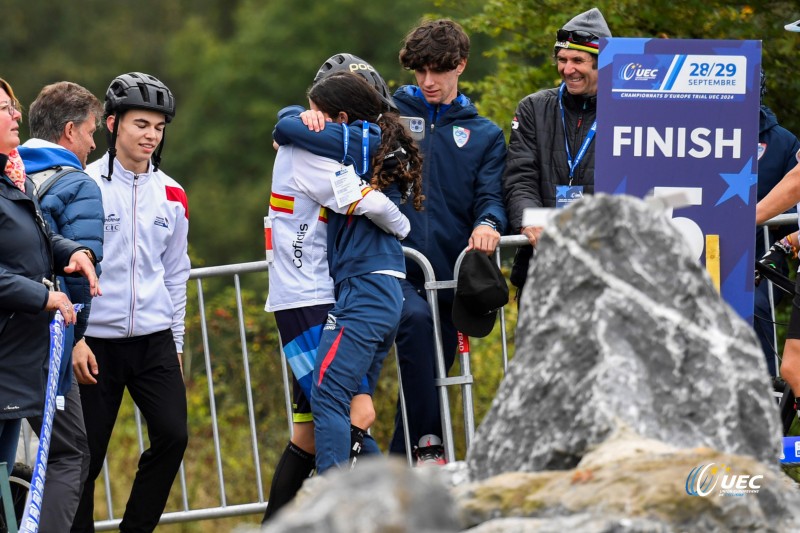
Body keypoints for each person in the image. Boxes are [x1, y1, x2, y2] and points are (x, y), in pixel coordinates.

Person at [262, 54, 412, 520]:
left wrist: (293, 121)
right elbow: (357, 198)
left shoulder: (318, 142)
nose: (310, 117)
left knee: (311, 432)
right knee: (348, 414)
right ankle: (406, 513)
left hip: (319, 293)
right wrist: (400, 220)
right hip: (310, 297)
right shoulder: (305, 148)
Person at [72, 72, 190, 533]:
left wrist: (176, 344)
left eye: (159, 127)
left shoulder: (174, 193)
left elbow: (177, 273)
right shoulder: (84, 185)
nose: (151, 135)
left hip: (155, 341)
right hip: (95, 344)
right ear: (112, 123)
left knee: (174, 436)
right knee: (85, 459)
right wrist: (77, 338)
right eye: (141, 124)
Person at [389, 18, 507, 464]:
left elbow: (491, 199)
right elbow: (319, 104)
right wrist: (305, 115)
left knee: (429, 377)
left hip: (450, 276)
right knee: (416, 325)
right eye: (419, 72)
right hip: (393, 267)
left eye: (437, 70)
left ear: (460, 66)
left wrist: (491, 223)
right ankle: (431, 443)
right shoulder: (388, 113)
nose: (427, 82)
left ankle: (399, 474)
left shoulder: (485, 135)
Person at [0, 76, 100, 524]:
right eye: (5, 108)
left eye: (15, 107)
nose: (17, 115)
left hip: (21, 353)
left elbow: (37, 238)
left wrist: (71, 252)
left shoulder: (13, 175)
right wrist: (43, 295)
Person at [504, 7, 611, 296]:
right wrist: (531, 221)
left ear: (603, 64)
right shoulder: (534, 107)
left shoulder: (627, 111)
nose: (567, 69)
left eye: (578, 60)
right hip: (541, 266)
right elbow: (519, 175)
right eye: (562, 60)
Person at [755, 17, 800, 407]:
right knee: (793, 369)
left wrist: (745, 217)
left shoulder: (780, 140)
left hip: (760, 266)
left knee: (790, 368)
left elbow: (797, 183)